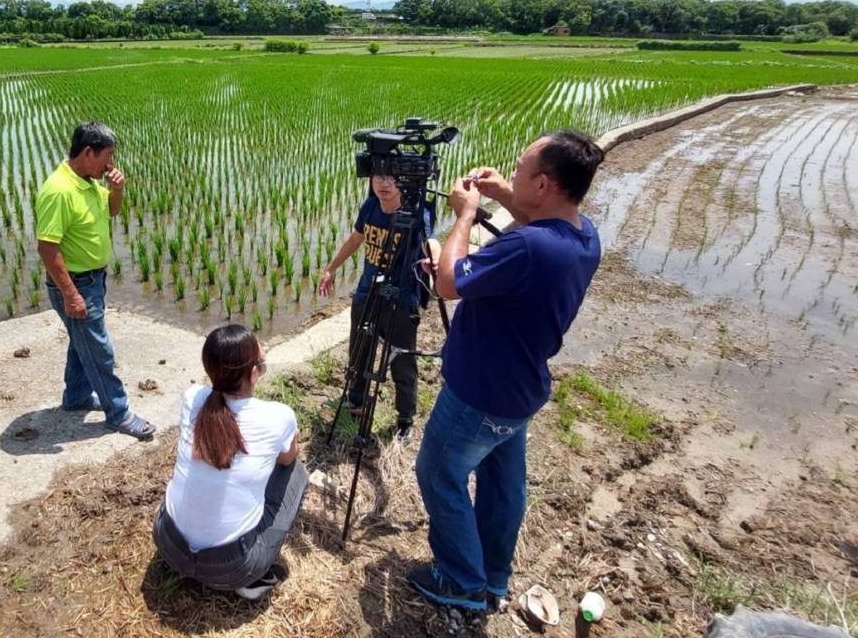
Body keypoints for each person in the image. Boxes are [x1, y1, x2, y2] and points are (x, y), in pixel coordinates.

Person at [409, 130, 604, 611]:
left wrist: (465, 217)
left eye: (519, 170)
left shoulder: (530, 248)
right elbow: (536, 232)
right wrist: (503, 197)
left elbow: (451, 283)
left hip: (479, 393)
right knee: (502, 485)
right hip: (518, 390)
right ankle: (494, 577)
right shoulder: (581, 236)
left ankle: (461, 581)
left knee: (438, 475)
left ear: (543, 184)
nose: (510, 173)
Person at [153, 324, 308, 600]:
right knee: (296, 472)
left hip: (169, 545)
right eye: (262, 363)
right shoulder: (277, 416)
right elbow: (287, 459)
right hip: (232, 567)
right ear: (253, 373)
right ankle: (251, 581)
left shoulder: (192, 398)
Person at [35, 121, 155, 441]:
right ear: (88, 152)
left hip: (92, 281)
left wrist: (117, 189)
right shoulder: (59, 190)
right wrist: (71, 295)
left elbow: (112, 212)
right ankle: (119, 413)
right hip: (75, 285)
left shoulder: (87, 181)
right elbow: (47, 248)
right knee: (99, 351)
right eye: (107, 156)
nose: (110, 164)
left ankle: (75, 397)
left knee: (82, 343)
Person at [317, 174, 440, 439]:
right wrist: (330, 269)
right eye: (378, 177)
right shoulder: (370, 206)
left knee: (401, 361)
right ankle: (356, 401)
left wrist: (436, 262)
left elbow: (429, 241)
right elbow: (355, 238)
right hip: (367, 292)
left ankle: (405, 418)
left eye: (392, 178)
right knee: (359, 350)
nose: (384, 184)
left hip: (400, 299)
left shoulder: (415, 212)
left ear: (405, 182)